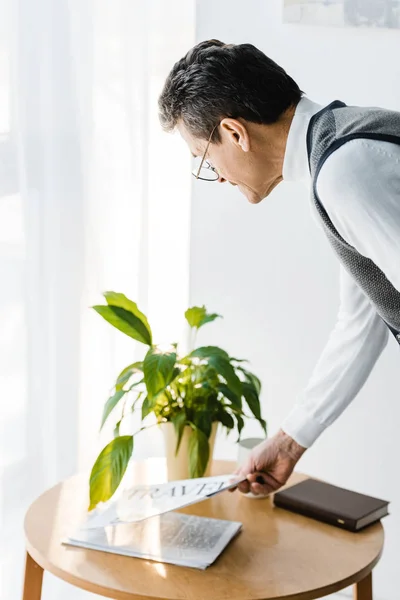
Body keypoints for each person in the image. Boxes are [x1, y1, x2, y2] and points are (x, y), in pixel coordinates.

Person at [158, 40, 400, 496]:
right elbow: (365, 315)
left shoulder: (344, 173)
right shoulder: (340, 150)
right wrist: (289, 443)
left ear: (234, 132)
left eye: (203, 160)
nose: (219, 178)